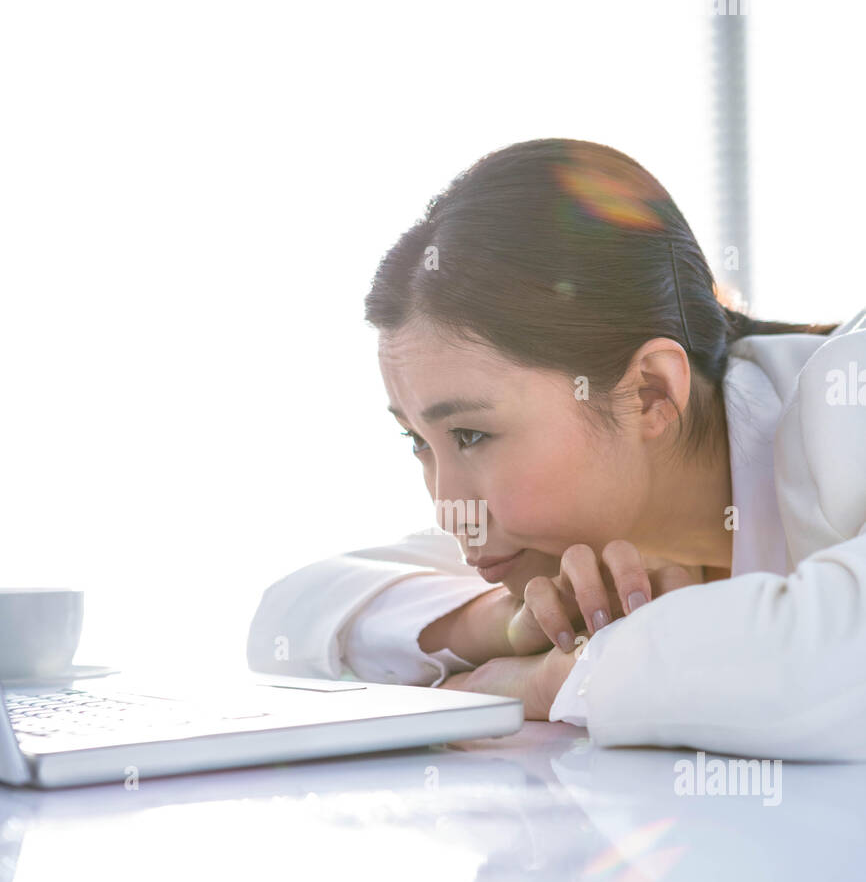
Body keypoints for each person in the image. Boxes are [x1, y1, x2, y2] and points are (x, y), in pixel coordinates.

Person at [247, 139, 866, 760]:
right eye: (418, 441)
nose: (449, 508)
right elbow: (289, 617)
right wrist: (502, 626)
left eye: (471, 435)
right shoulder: (565, 534)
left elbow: (839, 668)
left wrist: (550, 682)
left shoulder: (849, 401)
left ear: (649, 392)